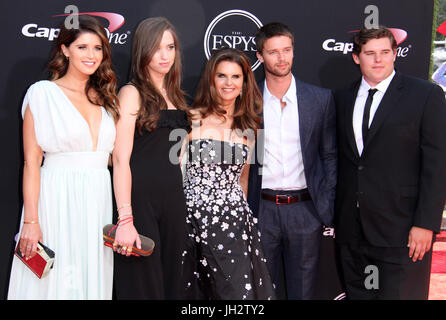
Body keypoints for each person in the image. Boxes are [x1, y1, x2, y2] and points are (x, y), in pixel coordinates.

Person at [7, 15, 119, 299]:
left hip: (97, 200)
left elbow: (112, 159)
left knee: (89, 278)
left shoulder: (107, 99)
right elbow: (31, 162)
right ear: (65, 50)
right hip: (56, 197)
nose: (91, 55)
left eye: (97, 48)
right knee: (53, 282)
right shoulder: (43, 94)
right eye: (82, 47)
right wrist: (30, 222)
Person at [334, 26, 446, 299]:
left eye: (385, 52)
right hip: (352, 232)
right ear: (356, 58)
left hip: (403, 231)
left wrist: (426, 224)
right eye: (370, 53)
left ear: (395, 54)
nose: (378, 60)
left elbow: (438, 163)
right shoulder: (341, 98)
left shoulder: (425, 95)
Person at [247, 22, 337, 300]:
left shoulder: (319, 99)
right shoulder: (247, 101)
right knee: (262, 292)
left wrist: (326, 205)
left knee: (304, 292)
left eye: (286, 50)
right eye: (273, 52)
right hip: (261, 209)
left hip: (305, 211)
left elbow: (330, 155)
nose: (281, 58)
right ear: (260, 57)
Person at [182, 48, 275, 300]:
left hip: (232, 225)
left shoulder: (252, 127)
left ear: (245, 83)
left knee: (234, 294)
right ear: (211, 79)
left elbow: (243, 180)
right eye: (221, 76)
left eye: (236, 77)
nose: (228, 83)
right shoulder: (189, 119)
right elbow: (172, 173)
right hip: (191, 222)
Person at [112, 17, 190, 299]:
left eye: (170, 47)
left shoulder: (179, 98)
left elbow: (178, 159)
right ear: (143, 50)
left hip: (173, 204)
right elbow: (120, 159)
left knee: (173, 287)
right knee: (143, 287)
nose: (164, 55)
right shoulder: (131, 93)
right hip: (140, 203)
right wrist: (125, 218)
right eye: (156, 48)